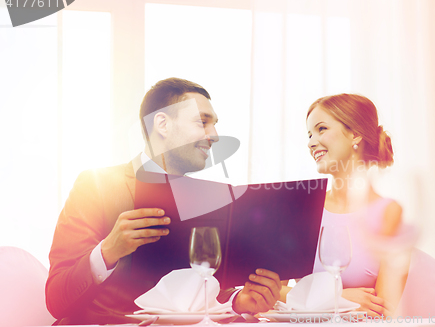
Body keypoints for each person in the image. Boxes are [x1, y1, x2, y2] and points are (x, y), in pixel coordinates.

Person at [46, 78, 282, 325]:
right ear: (162, 124)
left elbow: (195, 289)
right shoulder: (96, 185)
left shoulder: (207, 199)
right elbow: (56, 300)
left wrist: (239, 300)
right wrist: (108, 251)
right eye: (203, 122)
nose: (214, 136)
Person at [300, 94, 409, 317]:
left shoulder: (388, 213)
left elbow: (384, 310)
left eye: (321, 129)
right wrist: (334, 299)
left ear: (355, 134)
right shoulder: (303, 208)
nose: (311, 142)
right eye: (309, 134)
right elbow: (273, 294)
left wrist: (317, 301)